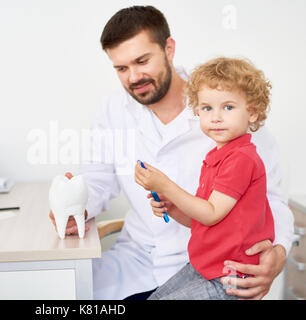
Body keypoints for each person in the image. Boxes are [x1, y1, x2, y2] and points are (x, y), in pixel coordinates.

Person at [49, 6, 294, 300]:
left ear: (169, 48)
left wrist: (278, 251)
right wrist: (78, 206)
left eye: (142, 61)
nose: (134, 77)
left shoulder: (232, 111)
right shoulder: (112, 110)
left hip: (211, 269)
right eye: (121, 68)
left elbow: (270, 199)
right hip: (135, 261)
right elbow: (97, 178)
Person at [134, 57, 275, 299]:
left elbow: (210, 213)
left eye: (228, 107)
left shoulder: (241, 159)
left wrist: (166, 185)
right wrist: (174, 207)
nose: (216, 117)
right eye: (207, 108)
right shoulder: (216, 156)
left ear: (252, 113)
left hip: (230, 275)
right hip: (207, 265)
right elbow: (203, 220)